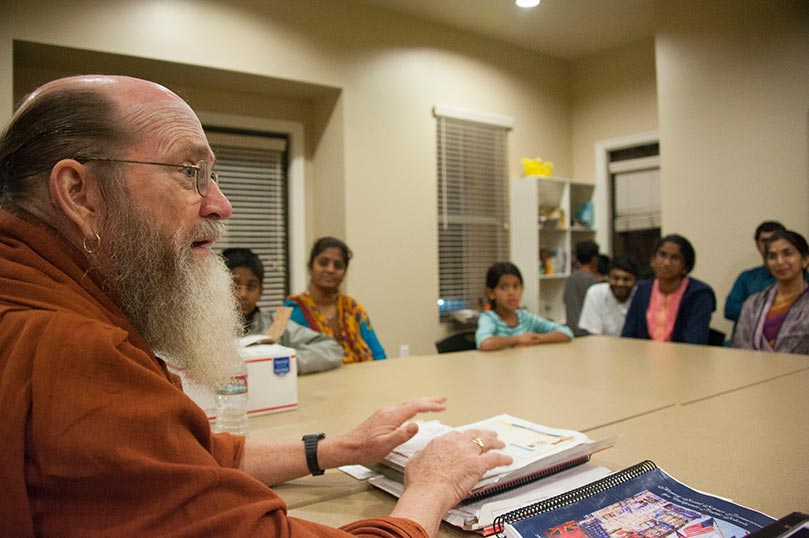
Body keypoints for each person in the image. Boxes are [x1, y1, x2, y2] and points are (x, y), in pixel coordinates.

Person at [0, 75, 513, 537]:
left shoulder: (47, 300)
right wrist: (433, 486)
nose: (221, 204)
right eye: (189, 172)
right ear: (78, 192)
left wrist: (343, 449)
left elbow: (186, 457)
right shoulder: (71, 354)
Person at [222, 247, 343, 374]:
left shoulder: (274, 325)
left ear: (261, 292)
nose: (243, 294)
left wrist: (283, 361)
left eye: (252, 286)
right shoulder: (204, 330)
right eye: (234, 285)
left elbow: (333, 349)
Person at [285, 237, 386, 363]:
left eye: (338, 265)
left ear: (344, 273)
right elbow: (283, 362)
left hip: (361, 378)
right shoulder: (291, 311)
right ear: (310, 267)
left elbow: (378, 354)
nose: (330, 269)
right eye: (323, 263)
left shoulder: (353, 309)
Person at [621, 234, 716, 344]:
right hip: (642, 357)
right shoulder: (642, 290)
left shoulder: (699, 294)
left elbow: (695, 340)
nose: (666, 263)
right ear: (653, 260)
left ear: (685, 267)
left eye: (675, 258)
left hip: (685, 358)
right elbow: (628, 335)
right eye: (662, 255)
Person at [732, 230, 809, 354]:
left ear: (805, 260)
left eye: (787, 254)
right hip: (754, 370)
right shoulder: (753, 303)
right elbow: (740, 348)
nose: (780, 262)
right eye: (772, 257)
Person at [476, 262, 573, 351]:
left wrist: (537, 339)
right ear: (491, 293)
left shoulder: (525, 317)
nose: (511, 293)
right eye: (504, 287)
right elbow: (484, 343)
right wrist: (518, 339)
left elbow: (566, 333)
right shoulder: (489, 318)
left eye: (516, 286)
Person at [724, 221, 790, 326]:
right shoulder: (747, 277)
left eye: (773, 239)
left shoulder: (800, 277)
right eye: (764, 241)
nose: (769, 244)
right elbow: (730, 310)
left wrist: (750, 309)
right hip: (746, 340)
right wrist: (772, 312)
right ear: (757, 245)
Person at [578, 257, 640, 336]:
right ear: (608, 278)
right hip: (602, 346)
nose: (620, 283)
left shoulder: (641, 295)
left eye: (626, 279)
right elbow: (594, 335)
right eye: (615, 278)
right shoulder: (596, 293)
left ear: (636, 281)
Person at [563, 239, 600, 336]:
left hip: (571, 332)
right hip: (588, 333)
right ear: (594, 259)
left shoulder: (570, 279)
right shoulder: (593, 281)